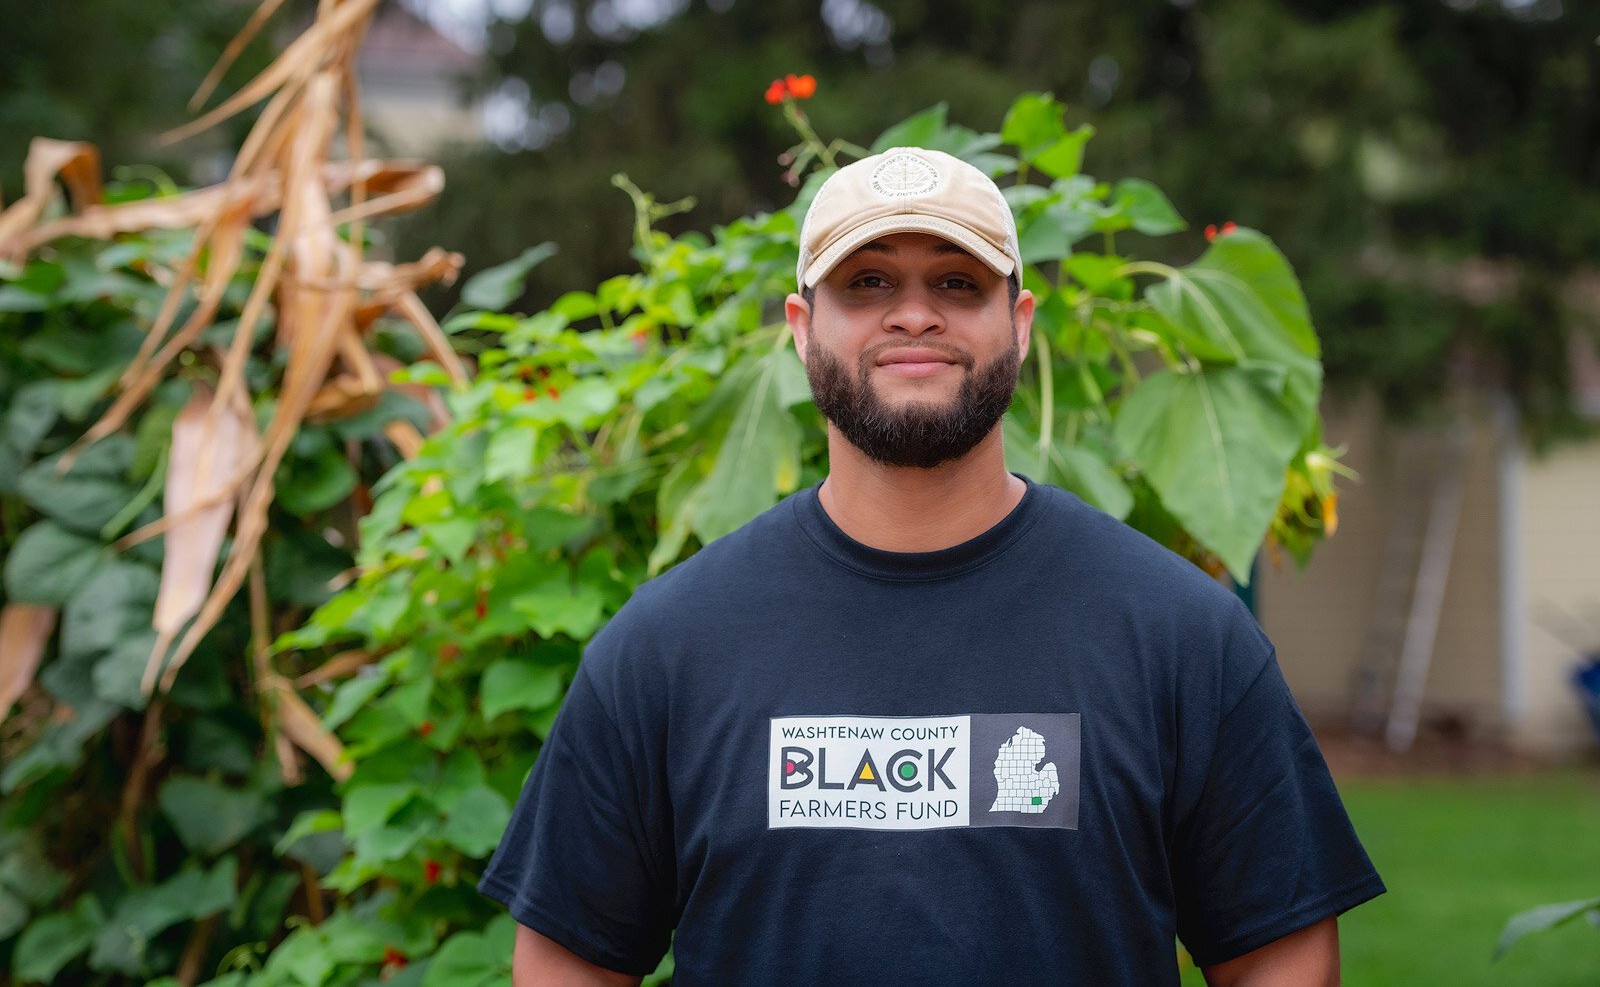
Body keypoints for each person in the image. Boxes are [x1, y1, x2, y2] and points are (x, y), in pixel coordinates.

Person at [478, 146, 1386, 985]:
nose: (914, 313)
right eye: (868, 282)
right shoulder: (667, 648)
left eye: (957, 282)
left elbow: (1283, 951)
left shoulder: (1180, 633)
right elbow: (568, 960)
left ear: (1019, 323)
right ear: (802, 327)